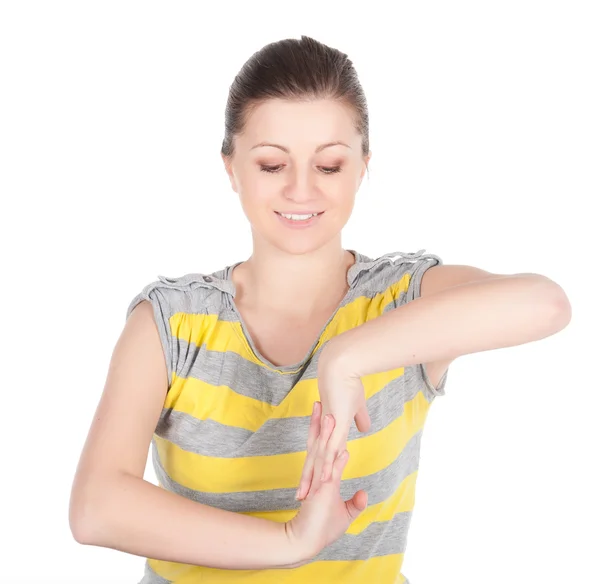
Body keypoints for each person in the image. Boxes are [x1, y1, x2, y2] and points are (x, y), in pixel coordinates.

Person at [68, 35, 571, 584]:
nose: (301, 189)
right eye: (271, 164)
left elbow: (545, 303)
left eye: (328, 166)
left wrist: (345, 357)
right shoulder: (170, 322)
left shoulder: (400, 301)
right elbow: (96, 508)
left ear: (362, 168)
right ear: (231, 167)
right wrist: (291, 541)